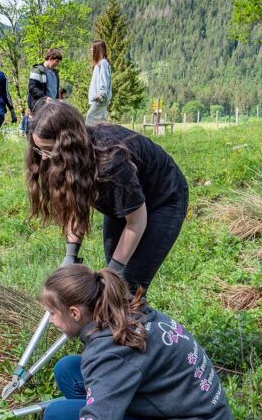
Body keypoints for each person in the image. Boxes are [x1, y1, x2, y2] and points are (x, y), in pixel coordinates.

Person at [23, 264, 233, 420]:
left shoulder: (109, 354)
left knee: (58, 418)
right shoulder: (122, 310)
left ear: (74, 313)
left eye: (52, 312)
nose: (50, 320)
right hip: (197, 416)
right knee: (68, 371)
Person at [27, 100, 188, 295]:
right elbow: (74, 201)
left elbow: (136, 222)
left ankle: (138, 320)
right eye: (39, 149)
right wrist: (71, 255)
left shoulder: (111, 162)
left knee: (127, 283)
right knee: (114, 278)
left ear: (68, 145)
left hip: (163, 199)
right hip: (126, 200)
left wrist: (114, 271)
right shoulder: (66, 159)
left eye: (48, 149)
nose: (44, 157)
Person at [28, 49, 63, 114]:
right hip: (40, 106)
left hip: (52, 106)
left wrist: (58, 99)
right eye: (57, 61)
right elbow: (32, 88)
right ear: (50, 59)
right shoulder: (37, 70)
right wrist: (44, 98)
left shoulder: (55, 73)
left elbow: (55, 91)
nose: (57, 64)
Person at [87, 40, 112, 123]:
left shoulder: (103, 63)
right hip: (100, 100)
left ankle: (89, 136)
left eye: (93, 48)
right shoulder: (100, 64)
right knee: (101, 123)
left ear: (98, 50)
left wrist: (101, 95)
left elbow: (104, 80)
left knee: (90, 119)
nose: (91, 50)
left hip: (99, 100)